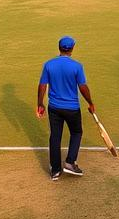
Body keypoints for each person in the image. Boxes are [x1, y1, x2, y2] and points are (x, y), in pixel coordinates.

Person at [36, 36, 95, 181]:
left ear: (59, 48)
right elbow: (82, 87)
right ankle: (69, 162)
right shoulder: (77, 66)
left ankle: (55, 171)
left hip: (54, 107)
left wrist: (40, 103)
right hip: (72, 108)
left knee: (55, 136)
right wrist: (90, 102)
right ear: (72, 48)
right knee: (76, 132)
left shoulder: (49, 64)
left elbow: (42, 85)